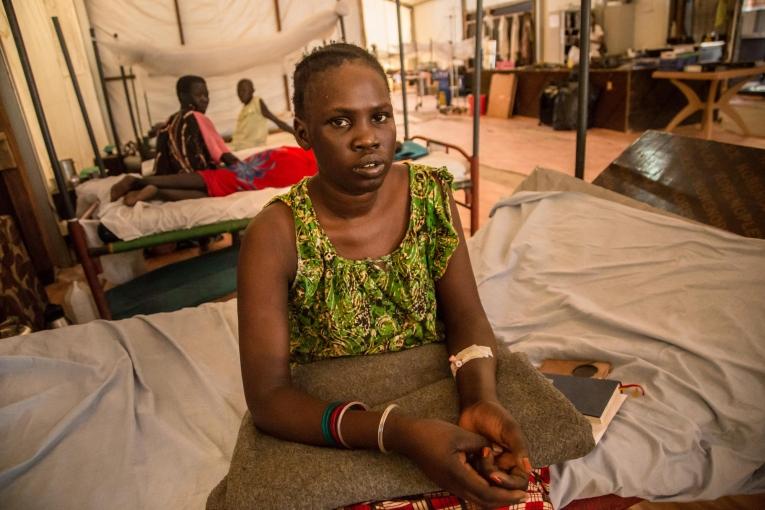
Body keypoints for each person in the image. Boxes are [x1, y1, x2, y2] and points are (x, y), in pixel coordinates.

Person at [237, 43, 534, 508]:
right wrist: (396, 432)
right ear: (303, 133)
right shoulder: (274, 234)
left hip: (437, 386)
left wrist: (478, 399)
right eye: (340, 121)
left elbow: (467, 319)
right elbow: (269, 398)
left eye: (380, 117)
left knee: (516, 459)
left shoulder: (431, 197)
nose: (367, 138)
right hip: (342, 414)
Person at [110, 75, 316, 206]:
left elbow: (161, 154)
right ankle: (144, 184)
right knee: (215, 181)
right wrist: (242, 168)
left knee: (214, 181)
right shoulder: (199, 118)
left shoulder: (170, 120)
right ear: (185, 96)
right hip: (289, 168)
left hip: (282, 155)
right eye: (201, 95)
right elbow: (222, 153)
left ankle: (154, 188)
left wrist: (244, 166)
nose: (205, 100)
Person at [230, 78, 295, 150]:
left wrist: (295, 133)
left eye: (244, 90)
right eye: (239, 91)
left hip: (251, 146)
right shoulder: (243, 110)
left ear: (252, 90)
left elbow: (276, 120)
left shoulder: (257, 102)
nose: (241, 94)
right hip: (238, 145)